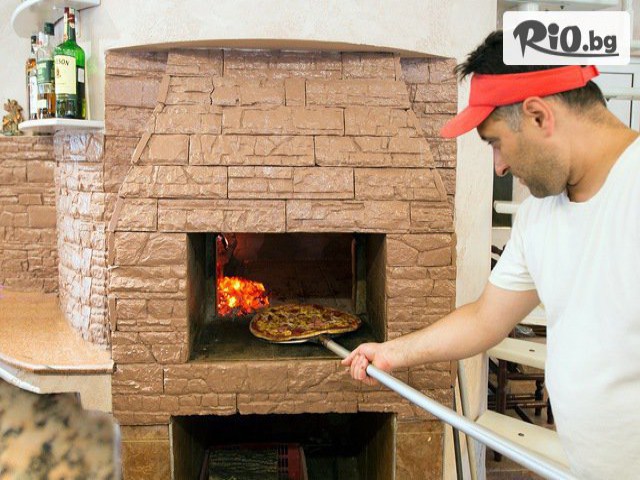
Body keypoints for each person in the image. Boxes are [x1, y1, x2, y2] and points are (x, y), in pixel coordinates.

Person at [342, 30, 640, 479]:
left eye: (496, 141)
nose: (499, 166)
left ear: (538, 115)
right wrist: (391, 353)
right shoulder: (538, 215)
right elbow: (486, 318)